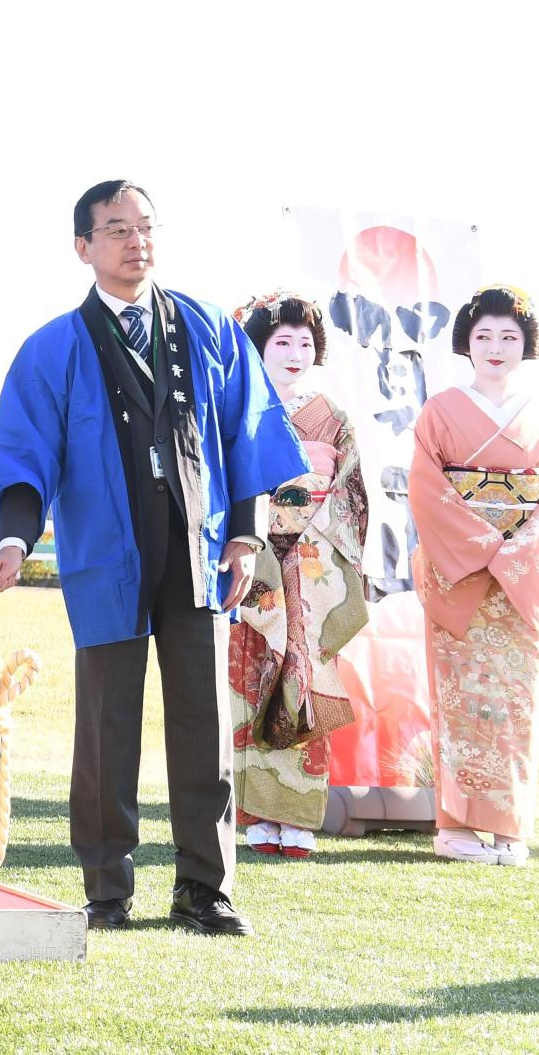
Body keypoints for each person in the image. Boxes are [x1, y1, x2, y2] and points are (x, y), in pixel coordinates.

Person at [0, 180, 305, 937]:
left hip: (198, 552)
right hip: (108, 556)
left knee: (203, 725)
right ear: (83, 247)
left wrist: (246, 536)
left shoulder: (206, 328)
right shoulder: (52, 348)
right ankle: (105, 889)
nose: (136, 241)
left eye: (146, 227)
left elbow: (247, 433)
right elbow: (26, 459)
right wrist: (14, 539)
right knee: (106, 724)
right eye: (117, 229)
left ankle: (205, 889)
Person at [407, 285, 539, 867]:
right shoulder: (440, 410)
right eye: (484, 336)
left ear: (527, 344)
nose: (497, 347)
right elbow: (427, 490)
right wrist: (486, 547)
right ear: (466, 344)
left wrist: (515, 554)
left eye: (510, 336)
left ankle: (510, 828)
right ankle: (454, 827)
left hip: (520, 578)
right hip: (462, 577)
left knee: (518, 701)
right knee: (458, 698)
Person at [226, 292, 369, 859]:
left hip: (315, 563)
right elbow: (230, 484)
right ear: (259, 346)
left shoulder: (332, 418)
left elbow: (350, 493)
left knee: (307, 678)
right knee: (253, 678)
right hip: (256, 554)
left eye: (305, 342)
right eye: (281, 341)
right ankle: (258, 813)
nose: (294, 352)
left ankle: (301, 816)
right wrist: (254, 538)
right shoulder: (239, 409)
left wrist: (313, 538)